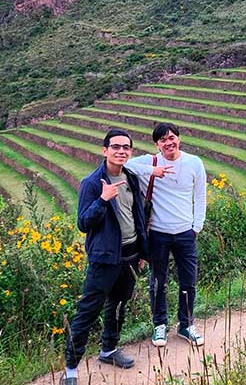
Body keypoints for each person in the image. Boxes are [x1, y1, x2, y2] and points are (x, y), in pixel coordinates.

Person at [61, 129, 149, 385]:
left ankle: (109, 350)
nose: (121, 151)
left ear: (130, 152)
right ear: (105, 150)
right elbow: (83, 223)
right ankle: (70, 368)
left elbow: (138, 217)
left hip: (130, 255)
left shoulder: (130, 177)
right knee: (88, 311)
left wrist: (143, 252)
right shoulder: (92, 183)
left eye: (126, 147)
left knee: (119, 306)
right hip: (105, 258)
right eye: (116, 146)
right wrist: (102, 199)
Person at [125, 122, 207, 347]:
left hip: (185, 233)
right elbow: (125, 166)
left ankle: (186, 324)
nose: (168, 142)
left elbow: (200, 196)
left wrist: (196, 227)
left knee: (188, 281)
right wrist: (154, 171)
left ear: (179, 138)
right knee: (158, 282)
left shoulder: (193, 163)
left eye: (172, 137)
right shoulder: (149, 162)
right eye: (163, 140)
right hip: (158, 234)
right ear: (157, 144)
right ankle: (159, 325)